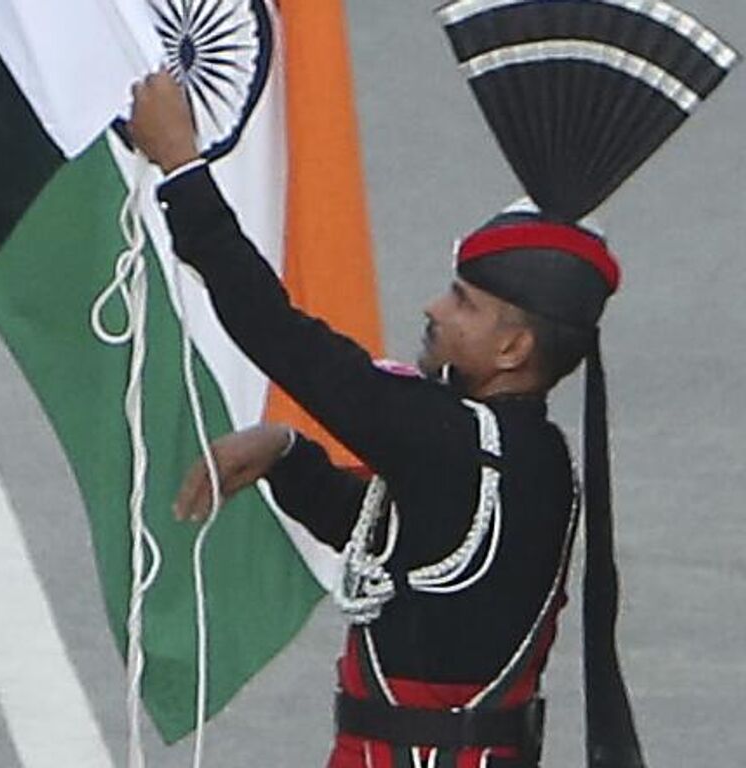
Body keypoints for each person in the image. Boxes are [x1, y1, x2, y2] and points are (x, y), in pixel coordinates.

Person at [127, 71, 623, 767]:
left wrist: (183, 169)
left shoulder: (451, 441)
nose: (434, 309)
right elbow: (396, 539)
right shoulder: (527, 456)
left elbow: (279, 334)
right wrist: (288, 454)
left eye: (463, 302)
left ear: (513, 349)